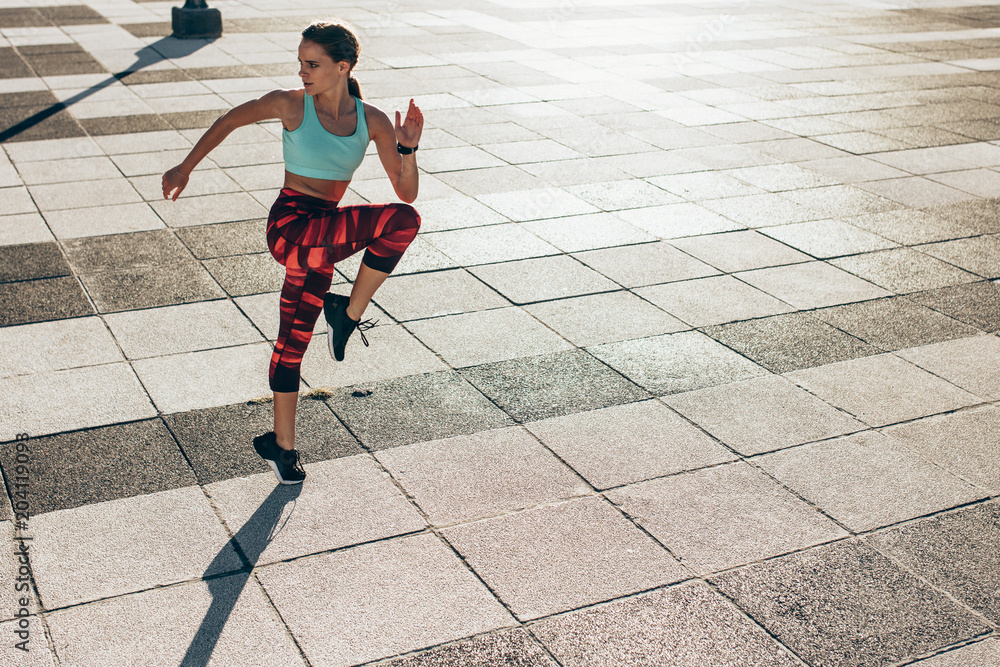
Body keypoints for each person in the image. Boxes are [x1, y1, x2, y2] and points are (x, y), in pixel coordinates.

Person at [162, 19, 422, 485]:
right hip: (292, 228)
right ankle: (346, 311)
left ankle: (281, 448)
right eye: (301, 62)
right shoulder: (291, 104)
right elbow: (229, 120)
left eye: (313, 64)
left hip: (322, 241)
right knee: (399, 223)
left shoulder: (373, 121)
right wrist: (185, 167)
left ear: (343, 67)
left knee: (292, 343)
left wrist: (408, 147)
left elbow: (406, 191)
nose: (302, 71)